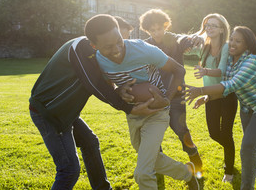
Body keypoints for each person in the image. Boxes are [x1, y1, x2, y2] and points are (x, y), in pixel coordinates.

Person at [29, 21, 164, 189]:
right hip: (49, 112)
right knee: (69, 170)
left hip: (67, 111)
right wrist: (128, 107)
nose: (119, 48)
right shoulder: (79, 48)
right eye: (114, 42)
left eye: (121, 41)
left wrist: (121, 90)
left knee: (90, 142)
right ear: (96, 43)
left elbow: (107, 83)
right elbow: (93, 84)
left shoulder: (101, 53)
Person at [85, 14, 200, 190]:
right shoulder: (98, 62)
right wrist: (119, 91)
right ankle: (187, 173)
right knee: (151, 158)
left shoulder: (143, 49)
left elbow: (179, 70)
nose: (117, 49)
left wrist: (166, 100)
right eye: (108, 47)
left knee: (143, 172)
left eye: (119, 41)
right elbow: (110, 87)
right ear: (94, 46)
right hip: (133, 114)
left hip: (157, 112)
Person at [184, 26, 256, 190]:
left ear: (247, 45)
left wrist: (200, 90)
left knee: (248, 147)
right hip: (249, 109)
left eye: (238, 41)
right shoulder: (229, 61)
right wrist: (206, 98)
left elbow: (232, 84)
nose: (233, 43)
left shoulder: (252, 61)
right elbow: (226, 89)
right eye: (232, 39)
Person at [139, 9, 203, 174]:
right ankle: (156, 164)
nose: (156, 32)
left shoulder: (174, 39)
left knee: (181, 129)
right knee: (153, 134)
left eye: (159, 28)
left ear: (165, 26)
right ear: (147, 30)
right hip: (154, 97)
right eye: (152, 30)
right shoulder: (145, 45)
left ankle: (195, 160)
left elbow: (183, 39)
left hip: (176, 96)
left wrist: (191, 40)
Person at [186, 13, 237, 183]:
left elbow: (222, 70)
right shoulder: (204, 47)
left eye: (214, 25)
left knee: (226, 134)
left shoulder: (226, 47)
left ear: (222, 29)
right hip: (212, 96)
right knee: (214, 134)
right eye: (207, 25)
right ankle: (230, 151)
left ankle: (229, 171)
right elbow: (185, 47)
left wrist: (205, 71)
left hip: (226, 94)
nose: (209, 28)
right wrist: (192, 39)